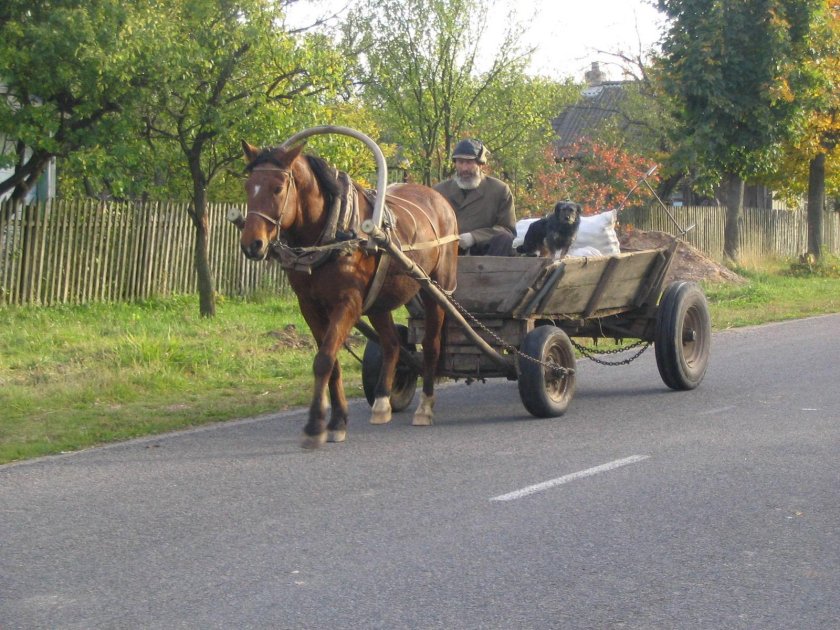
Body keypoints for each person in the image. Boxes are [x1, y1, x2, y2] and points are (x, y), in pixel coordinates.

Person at [434, 139, 516, 256]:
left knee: (504, 238)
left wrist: (474, 237)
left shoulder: (499, 190)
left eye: (469, 162)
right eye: (460, 162)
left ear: (480, 164)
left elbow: (507, 229)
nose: (464, 168)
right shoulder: (439, 191)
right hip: (446, 252)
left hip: (486, 253)